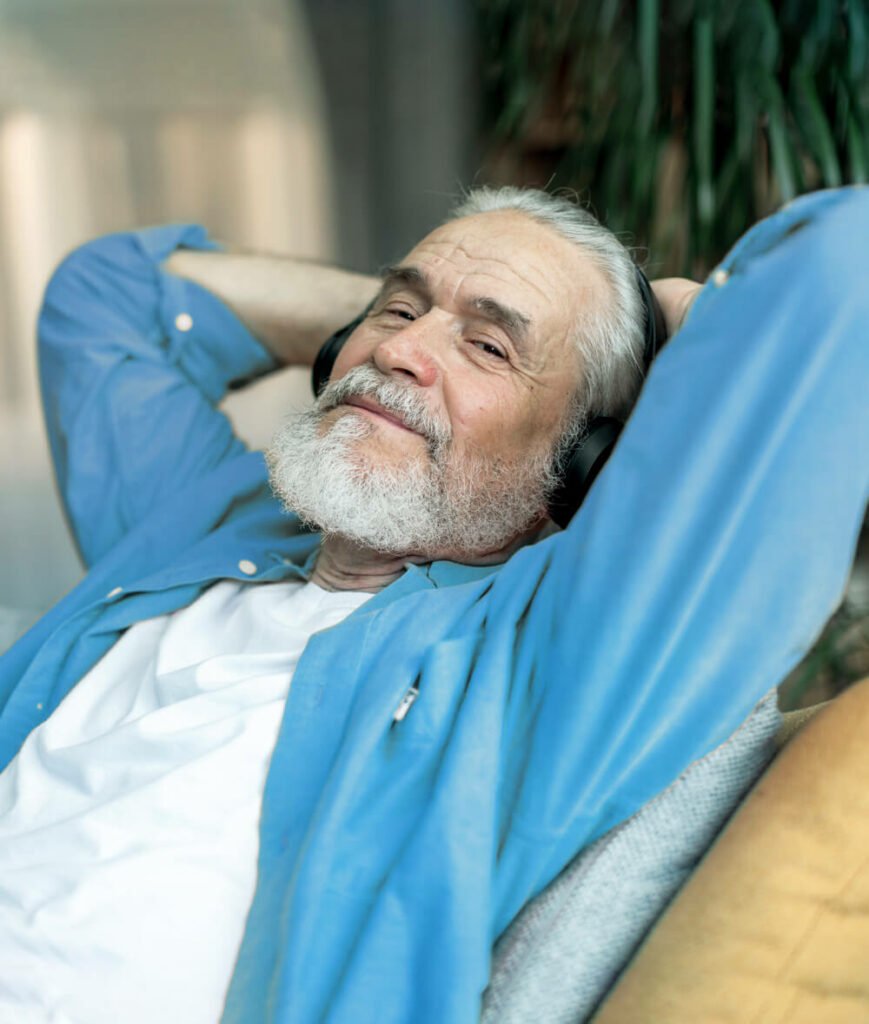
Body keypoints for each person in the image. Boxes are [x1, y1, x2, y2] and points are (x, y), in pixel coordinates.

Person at [0, 185, 866, 1024]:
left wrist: (665, 320)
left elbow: (843, 266)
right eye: (396, 311)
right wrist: (409, 321)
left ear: (584, 461)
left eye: (490, 347)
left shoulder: (546, 657)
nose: (399, 351)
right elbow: (110, 295)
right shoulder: (211, 513)